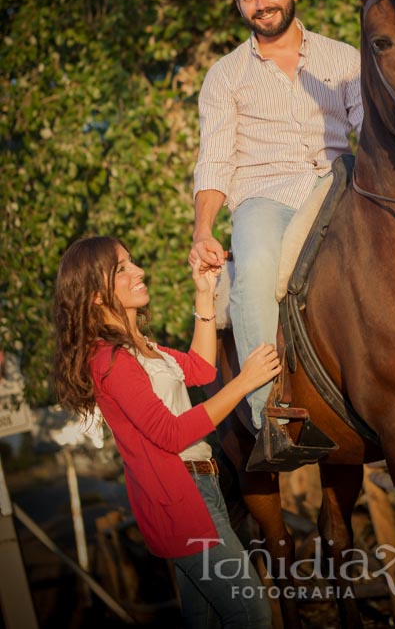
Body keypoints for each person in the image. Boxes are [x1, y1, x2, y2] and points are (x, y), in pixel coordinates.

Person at [53, 235, 278, 629]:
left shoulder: (139, 347)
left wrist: (204, 293)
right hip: (181, 502)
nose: (139, 272)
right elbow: (171, 434)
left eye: (131, 262)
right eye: (121, 269)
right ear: (93, 295)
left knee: (203, 619)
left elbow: (199, 369)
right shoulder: (109, 360)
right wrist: (244, 383)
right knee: (252, 613)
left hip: (202, 489)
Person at [189, 0, 363, 430]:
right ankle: (272, 414)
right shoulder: (225, 76)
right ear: (240, 6)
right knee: (258, 269)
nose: (261, 3)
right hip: (265, 196)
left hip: (337, 183)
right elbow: (215, 160)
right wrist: (204, 230)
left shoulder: (343, 58)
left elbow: (368, 128)